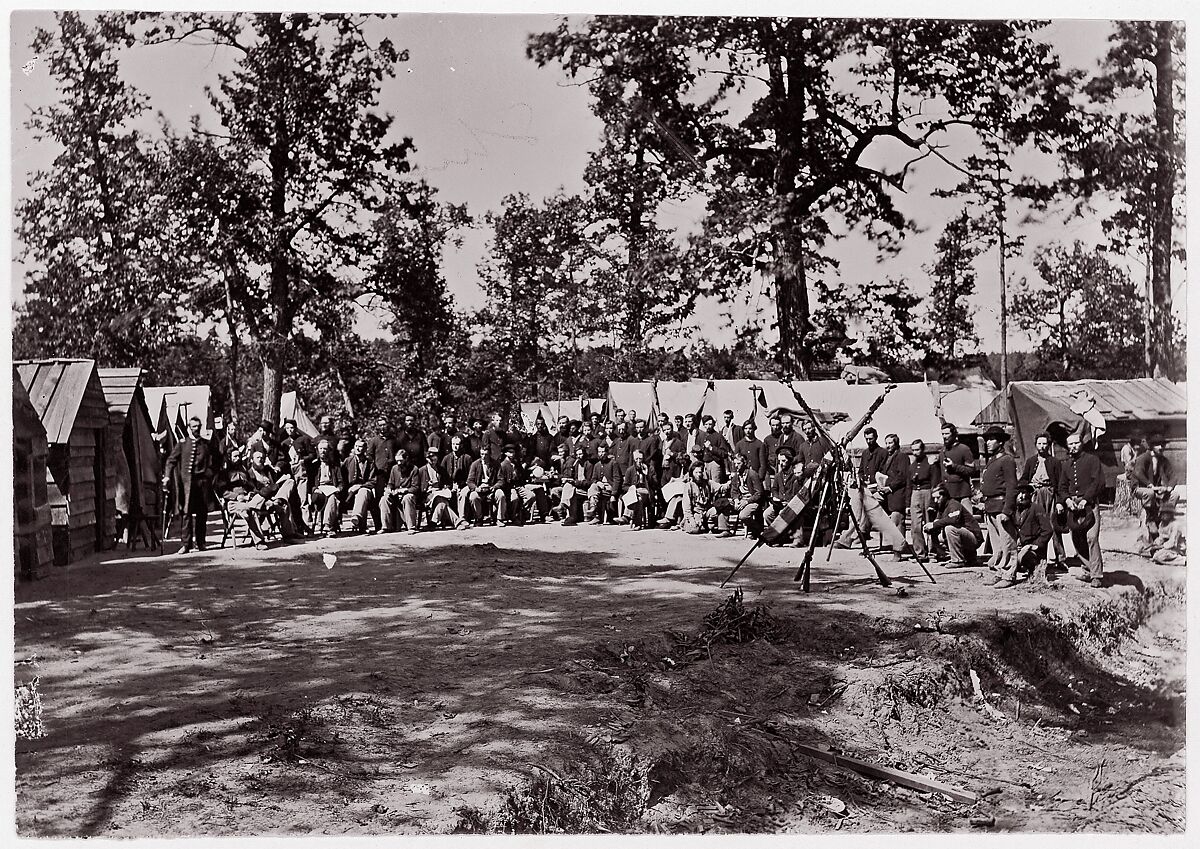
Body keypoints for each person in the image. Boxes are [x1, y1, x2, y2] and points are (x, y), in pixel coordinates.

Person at [835, 427, 911, 558]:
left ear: (876, 438)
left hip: (879, 489)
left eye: (871, 439)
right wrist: (858, 479)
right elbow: (861, 471)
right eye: (867, 439)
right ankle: (853, 537)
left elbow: (886, 474)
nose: (869, 441)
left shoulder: (883, 453)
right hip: (865, 487)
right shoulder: (865, 453)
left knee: (866, 508)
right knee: (856, 509)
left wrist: (882, 485)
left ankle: (856, 536)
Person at [163, 416, 220, 554]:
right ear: (189, 428)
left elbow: (218, 458)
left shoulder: (206, 444)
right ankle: (186, 544)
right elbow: (171, 460)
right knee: (186, 513)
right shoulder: (182, 444)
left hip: (203, 483)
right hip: (187, 484)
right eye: (194, 426)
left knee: (202, 513)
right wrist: (167, 476)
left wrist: (210, 472)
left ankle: (201, 543)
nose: (196, 429)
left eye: (198, 426)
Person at [1057, 432, 1105, 587]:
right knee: (1077, 540)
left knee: (1091, 538)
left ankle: (1096, 575)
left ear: (1081, 443)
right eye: (1070, 444)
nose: (1073, 446)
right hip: (1073, 506)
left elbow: (1098, 482)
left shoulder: (1092, 460)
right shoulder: (1066, 465)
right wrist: (1067, 500)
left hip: (1089, 504)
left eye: (1076, 443)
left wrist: (1086, 499)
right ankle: (1088, 569)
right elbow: (1062, 487)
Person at [1019, 432, 1066, 570]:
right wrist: (1026, 487)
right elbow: (1024, 479)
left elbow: (1060, 484)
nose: (1042, 446)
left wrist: (1059, 502)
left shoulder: (1055, 462)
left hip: (1050, 495)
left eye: (1044, 443)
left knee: (1053, 526)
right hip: (1035, 495)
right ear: (1036, 445)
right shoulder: (1031, 461)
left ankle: (1061, 558)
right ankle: (1039, 559)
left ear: (1049, 445)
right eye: (1039, 443)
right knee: (1037, 527)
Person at [993, 485, 1054, 588]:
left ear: (1030, 495)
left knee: (1025, 558)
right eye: (1019, 493)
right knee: (993, 561)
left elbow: (1048, 530)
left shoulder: (1037, 508)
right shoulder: (1014, 511)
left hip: (1033, 550)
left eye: (1024, 493)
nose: (1021, 496)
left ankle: (1029, 572)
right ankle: (1001, 574)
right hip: (1019, 547)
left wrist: (1033, 545)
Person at [979, 426, 1018, 576]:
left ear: (1000, 442)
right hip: (991, 507)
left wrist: (1007, 511)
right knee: (998, 546)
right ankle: (999, 573)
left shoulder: (1007, 460)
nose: (988, 442)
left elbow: (1012, 487)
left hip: (1001, 508)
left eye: (991, 439)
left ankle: (1009, 575)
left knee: (1008, 543)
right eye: (987, 439)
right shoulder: (992, 460)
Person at [1131, 435, 1178, 555]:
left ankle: (1164, 514)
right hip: (1141, 488)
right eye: (1158, 445)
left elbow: (1173, 475)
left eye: (1163, 445)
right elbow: (1138, 473)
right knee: (1150, 493)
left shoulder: (1163, 460)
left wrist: (1168, 487)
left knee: (1175, 495)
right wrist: (1149, 484)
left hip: (1156, 489)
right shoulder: (1143, 458)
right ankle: (1151, 516)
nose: (1161, 447)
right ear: (1152, 446)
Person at [923, 485, 984, 568]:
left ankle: (957, 560)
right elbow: (938, 521)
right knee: (934, 529)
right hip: (963, 536)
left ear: (945, 496)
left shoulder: (954, 504)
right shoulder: (942, 506)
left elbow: (954, 520)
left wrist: (934, 524)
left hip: (973, 538)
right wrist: (932, 526)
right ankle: (950, 555)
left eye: (938, 497)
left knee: (950, 529)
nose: (936, 501)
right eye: (934, 498)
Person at [420, 445, 470, 531]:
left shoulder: (441, 470)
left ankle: (433, 522)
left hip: (440, 494)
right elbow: (419, 488)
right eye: (430, 458)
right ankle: (457, 522)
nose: (432, 460)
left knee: (441, 502)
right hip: (428, 495)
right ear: (427, 459)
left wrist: (446, 487)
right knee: (442, 501)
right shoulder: (422, 470)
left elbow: (448, 483)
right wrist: (428, 486)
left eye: (434, 458)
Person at [879, 433, 911, 560]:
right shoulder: (888, 457)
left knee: (897, 522)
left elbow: (902, 477)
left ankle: (898, 552)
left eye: (890, 443)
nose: (888, 446)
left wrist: (889, 487)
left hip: (898, 494)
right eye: (886, 443)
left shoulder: (902, 457)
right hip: (888, 495)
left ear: (896, 443)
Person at [907, 438, 940, 559]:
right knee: (915, 526)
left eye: (918, 450)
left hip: (928, 493)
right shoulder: (912, 466)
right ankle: (920, 553)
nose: (915, 452)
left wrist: (932, 502)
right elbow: (908, 485)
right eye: (913, 450)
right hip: (915, 493)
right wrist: (907, 504)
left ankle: (933, 552)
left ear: (923, 449)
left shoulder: (930, 464)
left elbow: (935, 483)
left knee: (929, 523)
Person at [310, 439, 347, 537]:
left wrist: (339, 488)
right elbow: (309, 483)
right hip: (318, 492)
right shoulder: (314, 466)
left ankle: (327, 525)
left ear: (329, 451)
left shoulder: (335, 466)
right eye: (321, 449)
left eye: (325, 449)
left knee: (333, 496)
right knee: (332, 498)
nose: (323, 451)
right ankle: (329, 526)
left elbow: (340, 481)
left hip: (331, 489)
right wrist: (315, 489)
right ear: (317, 451)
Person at [342, 439, 379, 534]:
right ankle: (362, 525)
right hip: (350, 492)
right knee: (359, 495)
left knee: (363, 492)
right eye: (356, 446)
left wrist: (360, 486)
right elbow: (342, 479)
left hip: (366, 490)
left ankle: (356, 516)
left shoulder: (370, 462)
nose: (358, 449)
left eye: (361, 446)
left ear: (365, 449)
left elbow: (373, 481)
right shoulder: (348, 461)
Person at [681, 464, 730, 537]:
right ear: (692, 473)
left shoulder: (708, 483)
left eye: (700, 472)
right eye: (696, 472)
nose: (698, 475)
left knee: (722, 506)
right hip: (696, 513)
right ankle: (685, 524)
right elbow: (686, 507)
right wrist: (691, 520)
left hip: (707, 512)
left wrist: (730, 482)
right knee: (694, 530)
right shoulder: (689, 486)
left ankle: (720, 528)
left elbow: (721, 488)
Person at [383, 447, 423, 533]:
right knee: (384, 499)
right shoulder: (394, 468)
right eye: (397, 461)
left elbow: (416, 488)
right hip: (396, 495)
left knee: (407, 498)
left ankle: (411, 527)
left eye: (401, 461)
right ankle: (386, 527)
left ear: (406, 459)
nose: (399, 463)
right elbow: (391, 483)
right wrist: (389, 488)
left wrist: (405, 490)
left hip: (409, 494)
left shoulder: (414, 469)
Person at [939, 423, 977, 509]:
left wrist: (954, 466)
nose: (944, 436)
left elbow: (971, 470)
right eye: (943, 434)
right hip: (948, 496)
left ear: (953, 434)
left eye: (947, 434)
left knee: (967, 521)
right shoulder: (943, 451)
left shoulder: (964, 449)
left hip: (962, 495)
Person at [727, 451, 765, 536]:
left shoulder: (752, 474)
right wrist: (736, 500)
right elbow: (733, 491)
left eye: (739, 463)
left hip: (752, 501)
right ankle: (724, 529)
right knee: (723, 505)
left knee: (743, 516)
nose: (736, 466)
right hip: (741, 500)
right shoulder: (736, 476)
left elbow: (759, 493)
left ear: (744, 463)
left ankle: (757, 529)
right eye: (735, 464)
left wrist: (746, 502)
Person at [441, 434, 475, 522]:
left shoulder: (467, 458)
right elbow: (443, 475)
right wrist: (448, 486)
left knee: (462, 494)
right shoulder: (446, 458)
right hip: (450, 485)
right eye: (453, 444)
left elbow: (471, 476)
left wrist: (462, 485)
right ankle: (449, 519)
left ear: (461, 445)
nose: (455, 446)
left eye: (457, 444)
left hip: (464, 484)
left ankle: (462, 518)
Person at [586, 443, 623, 524]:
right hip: (600, 487)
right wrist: (598, 482)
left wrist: (614, 494)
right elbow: (593, 479)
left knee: (595, 489)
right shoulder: (597, 465)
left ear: (607, 453)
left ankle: (599, 514)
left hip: (610, 486)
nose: (601, 454)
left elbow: (617, 479)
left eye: (603, 452)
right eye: (599, 452)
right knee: (593, 487)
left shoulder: (613, 463)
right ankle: (593, 508)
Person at [622, 450, 658, 529]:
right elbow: (624, 486)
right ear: (633, 459)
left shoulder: (650, 468)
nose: (638, 461)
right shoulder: (630, 470)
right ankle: (637, 524)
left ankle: (626, 517)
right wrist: (630, 488)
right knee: (639, 498)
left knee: (638, 495)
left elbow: (655, 484)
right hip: (636, 494)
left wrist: (647, 474)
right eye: (636, 459)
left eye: (640, 459)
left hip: (647, 493)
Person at [556, 443, 591, 526]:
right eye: (577, 454)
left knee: (571, 490)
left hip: (586, 488)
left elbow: (589, 481)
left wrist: (576, 482)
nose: (579, 456)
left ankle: (570, 515)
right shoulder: (577, 464)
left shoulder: (588, 464)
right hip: (577, 486)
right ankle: (566, 511)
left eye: (581, 454)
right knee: (568, 486)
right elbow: (572, 476)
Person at [466, 451, 504, 526]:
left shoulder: (496, 464)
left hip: (491, 488)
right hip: (479, 489)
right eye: (482, 454)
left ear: (490, 454)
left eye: (486, 454)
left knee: (501, 495)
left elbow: (501, 480)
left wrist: (495, 487)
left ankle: (500, 519)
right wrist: (476, 488)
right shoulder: (475, 464)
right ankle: (479, 518)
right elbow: (469, 481)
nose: (484, 457)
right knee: (473, 496)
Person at [1146, 501, 1186, 566]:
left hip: (1177, 549)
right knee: (1153, 551)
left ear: (1171, 514)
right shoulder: (1162, 524)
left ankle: (1182, 560)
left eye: (1166, 514)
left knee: (1158, 557)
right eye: (1162, 514)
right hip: (1168, 547)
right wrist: (1156, 543)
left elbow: (1173, 543)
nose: (1163, 516)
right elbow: (1161, 537)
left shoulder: (1175, 525)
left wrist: (1160, 547)